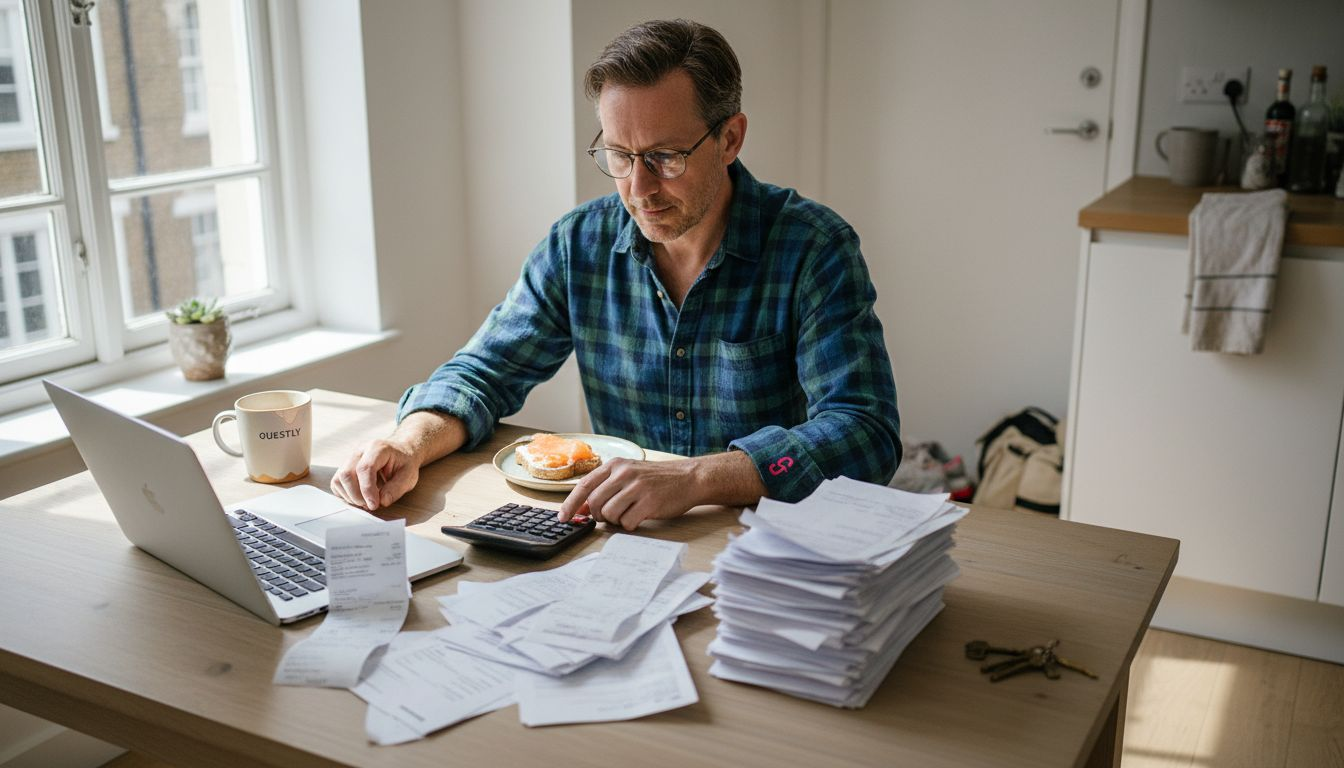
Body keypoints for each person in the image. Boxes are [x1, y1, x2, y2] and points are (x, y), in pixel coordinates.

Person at [331, 19, 900, 530]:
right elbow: (483, 373)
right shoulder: (579, 244)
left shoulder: (813, 247)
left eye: (665, 157)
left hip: (768, 548)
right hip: (621, 547)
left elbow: (865, 432)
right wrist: (407, 443)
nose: (639, 188)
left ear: (730, 139)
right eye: (620, 156)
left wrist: (697, 479)